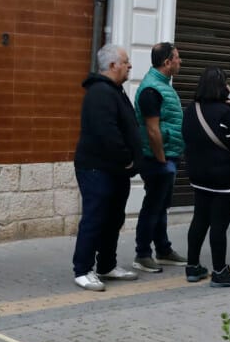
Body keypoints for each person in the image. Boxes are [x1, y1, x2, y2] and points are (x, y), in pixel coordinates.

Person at [70, 44, 142, 292]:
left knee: (113, 218)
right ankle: (82, 270)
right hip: (97, 169)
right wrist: (127, 158)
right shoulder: (100, 93)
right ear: (112, 65)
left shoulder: (115, 91)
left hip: (114, 170)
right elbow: (107, 132)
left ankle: (106, 265)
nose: (129, 65)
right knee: (95, 218)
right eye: (125, 61)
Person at [181, 66, 230, 288]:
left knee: (199, 219)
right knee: (219, 225)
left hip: (199, 176)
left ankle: (192, 266)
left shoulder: (191, 110)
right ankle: (220, 272)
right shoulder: (226, 113)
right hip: (225, 178)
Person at [132, 42, 186, 273]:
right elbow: (152, 130)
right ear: (167, 62)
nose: (180, 61)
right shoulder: (151, 90)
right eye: (177, 57)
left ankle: (163, 249)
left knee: (161, 206)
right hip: (157, 159)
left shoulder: (162, 85)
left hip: (167, 155)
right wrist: (162, 160)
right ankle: (143, 254)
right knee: (153, 207)